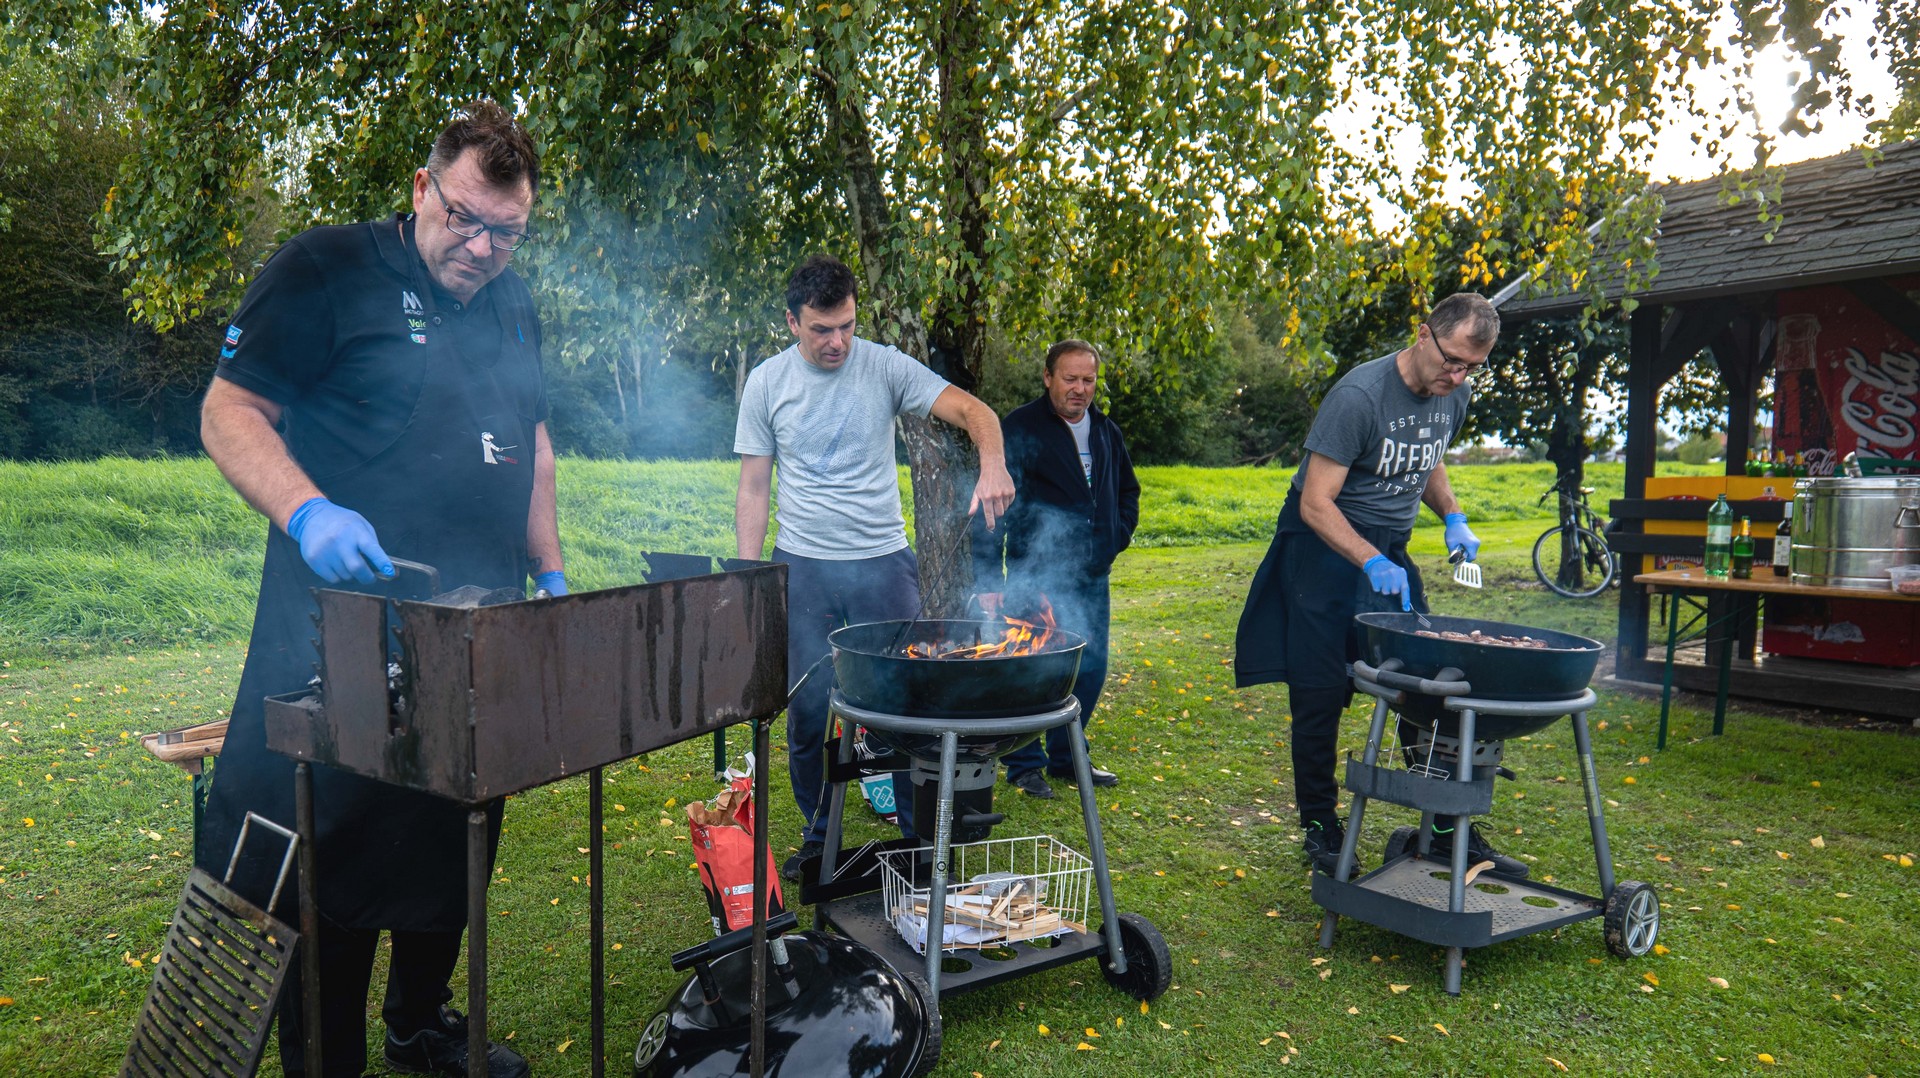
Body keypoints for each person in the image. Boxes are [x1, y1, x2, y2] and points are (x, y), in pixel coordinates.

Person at [196, 101, 555, 1078]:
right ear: (420, 190)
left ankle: (419, 1024)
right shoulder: (326, 269)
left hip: (467, 642)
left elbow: (532, 445)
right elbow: (229, 412)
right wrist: (311, 511)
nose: (482, 247)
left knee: (456, 836)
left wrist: (548, 568)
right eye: (464, 218)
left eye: (506, 232)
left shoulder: (514, 302)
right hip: (334, 639)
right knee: (337, 864)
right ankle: (329, 1056)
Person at [734, 254, 1015, 880]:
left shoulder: (885, 366)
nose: (837, 342)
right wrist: (750, 576)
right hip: (802, 566)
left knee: (904, 709)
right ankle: (817, 835)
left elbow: (978, 413)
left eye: (847, 326)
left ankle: (920, 845)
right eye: (820, 330)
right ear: (791, 322)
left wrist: (993, 464)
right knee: (807, 713)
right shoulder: (766, 383)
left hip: (883, 563)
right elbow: (754, 486)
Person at [1233, 293, 1525, 879]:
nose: (1459, 375)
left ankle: (1442, 829)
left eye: (1473, 367)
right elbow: (1316, 502)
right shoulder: (1358, 397)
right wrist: (1369, 561)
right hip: (1321, 550)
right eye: (1452, 361)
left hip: (1387, 549)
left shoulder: (1453, 393)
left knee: (1432, 686)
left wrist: (1452, 515)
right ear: (1423, 335)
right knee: (1318, 694)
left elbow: (1426, 457)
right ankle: (1320, 825)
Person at [972, 339, 1138, 799]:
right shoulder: (1021, 428)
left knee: (1091, 668)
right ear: (1048, 377)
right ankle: (1025, 765)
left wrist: (1113, 536)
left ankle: (1069, 758)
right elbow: (991, 507)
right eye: (1070, 378)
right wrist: (989, 578)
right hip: (1034, 577)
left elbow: (1128, 492)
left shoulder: (1106, 431)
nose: (1080, 389)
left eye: (1088, 380)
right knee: (1033, 670)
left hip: (1090, 577)